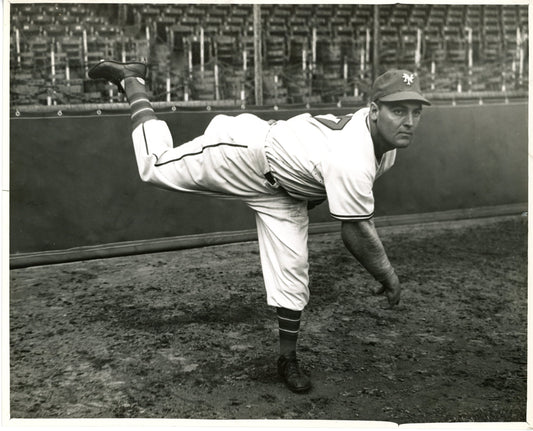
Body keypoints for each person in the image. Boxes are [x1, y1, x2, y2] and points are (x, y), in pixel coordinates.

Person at [89, 61, 430, 393]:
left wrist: (309, 191)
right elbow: (355, 229)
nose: (410, 121)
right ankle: (133, 82)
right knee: (153, 167)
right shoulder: (354, 154)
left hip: (285, 193)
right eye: (398, 111)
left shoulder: (384, 149)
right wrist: (387, 274)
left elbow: (329, 177)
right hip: (245, 155)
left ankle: (287, 360)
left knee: (293, 275)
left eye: (416, 111)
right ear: (373, 110)